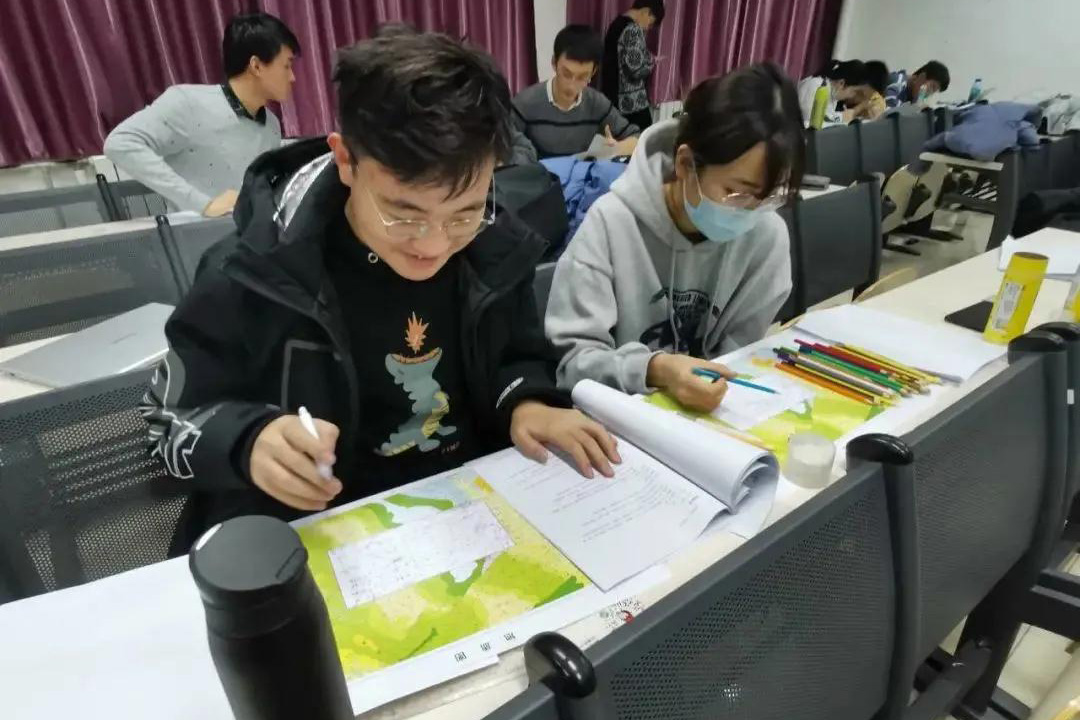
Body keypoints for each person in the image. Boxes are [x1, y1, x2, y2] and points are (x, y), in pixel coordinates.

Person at [141, 32, 619, 546]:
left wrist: (526, 402)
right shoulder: (253, 271)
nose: (433, 245)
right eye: (403, 215)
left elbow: (516, 357)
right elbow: (163, 420)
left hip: (463, 516)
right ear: (346, 160)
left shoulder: (494, 245)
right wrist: (248, 442)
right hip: (323, 532)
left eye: (462, 214)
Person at [545, 63, 803, 413]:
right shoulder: (612, 223)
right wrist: (654, 370)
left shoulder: (766, 236)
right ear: (685, 164)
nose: (751, 211)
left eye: (770, 196)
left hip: (713, 418)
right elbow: (573, 364)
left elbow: (741, 355)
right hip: (623, 418)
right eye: (736, 193)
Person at [104, 12, 299, 216]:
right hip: (194, 232)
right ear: (256, 66)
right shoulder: (188, 103)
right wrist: (203, 204)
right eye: (286, 66)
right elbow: (120, 143)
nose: (292, 77)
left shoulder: (271, 125)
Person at [512, 25, 639, 159]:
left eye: (582, 77)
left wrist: (617, 149)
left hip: (582, 171)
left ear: (593, 72)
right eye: (566, 74)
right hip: (539, 171)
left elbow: (637, 138)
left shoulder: (597, 103)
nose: (571, 86)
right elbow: (504, 145)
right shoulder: (524, 104)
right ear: (554, 63)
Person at [601, 0, 665, 132]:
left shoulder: (616, 24)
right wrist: (652, 63)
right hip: (630, 102)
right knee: (643, 137)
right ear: (646, 12)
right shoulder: (633, 30)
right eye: (650, 23)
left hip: (612, 96)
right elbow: (636, 70)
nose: (648, 28)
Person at [796, 59, 866, 123]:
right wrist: (842, 117)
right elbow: (812, 123)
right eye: (854, 92)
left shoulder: (832, 96)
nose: (851, 97)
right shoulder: (816, 86)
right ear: (841, 83)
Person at [885, 60, 951, 108]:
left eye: (933, 92)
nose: (929, 93)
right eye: (932, 86)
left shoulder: (910, 94)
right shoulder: (897, 82)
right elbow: (892, 109)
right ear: (922, 76)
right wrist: (916, 104)